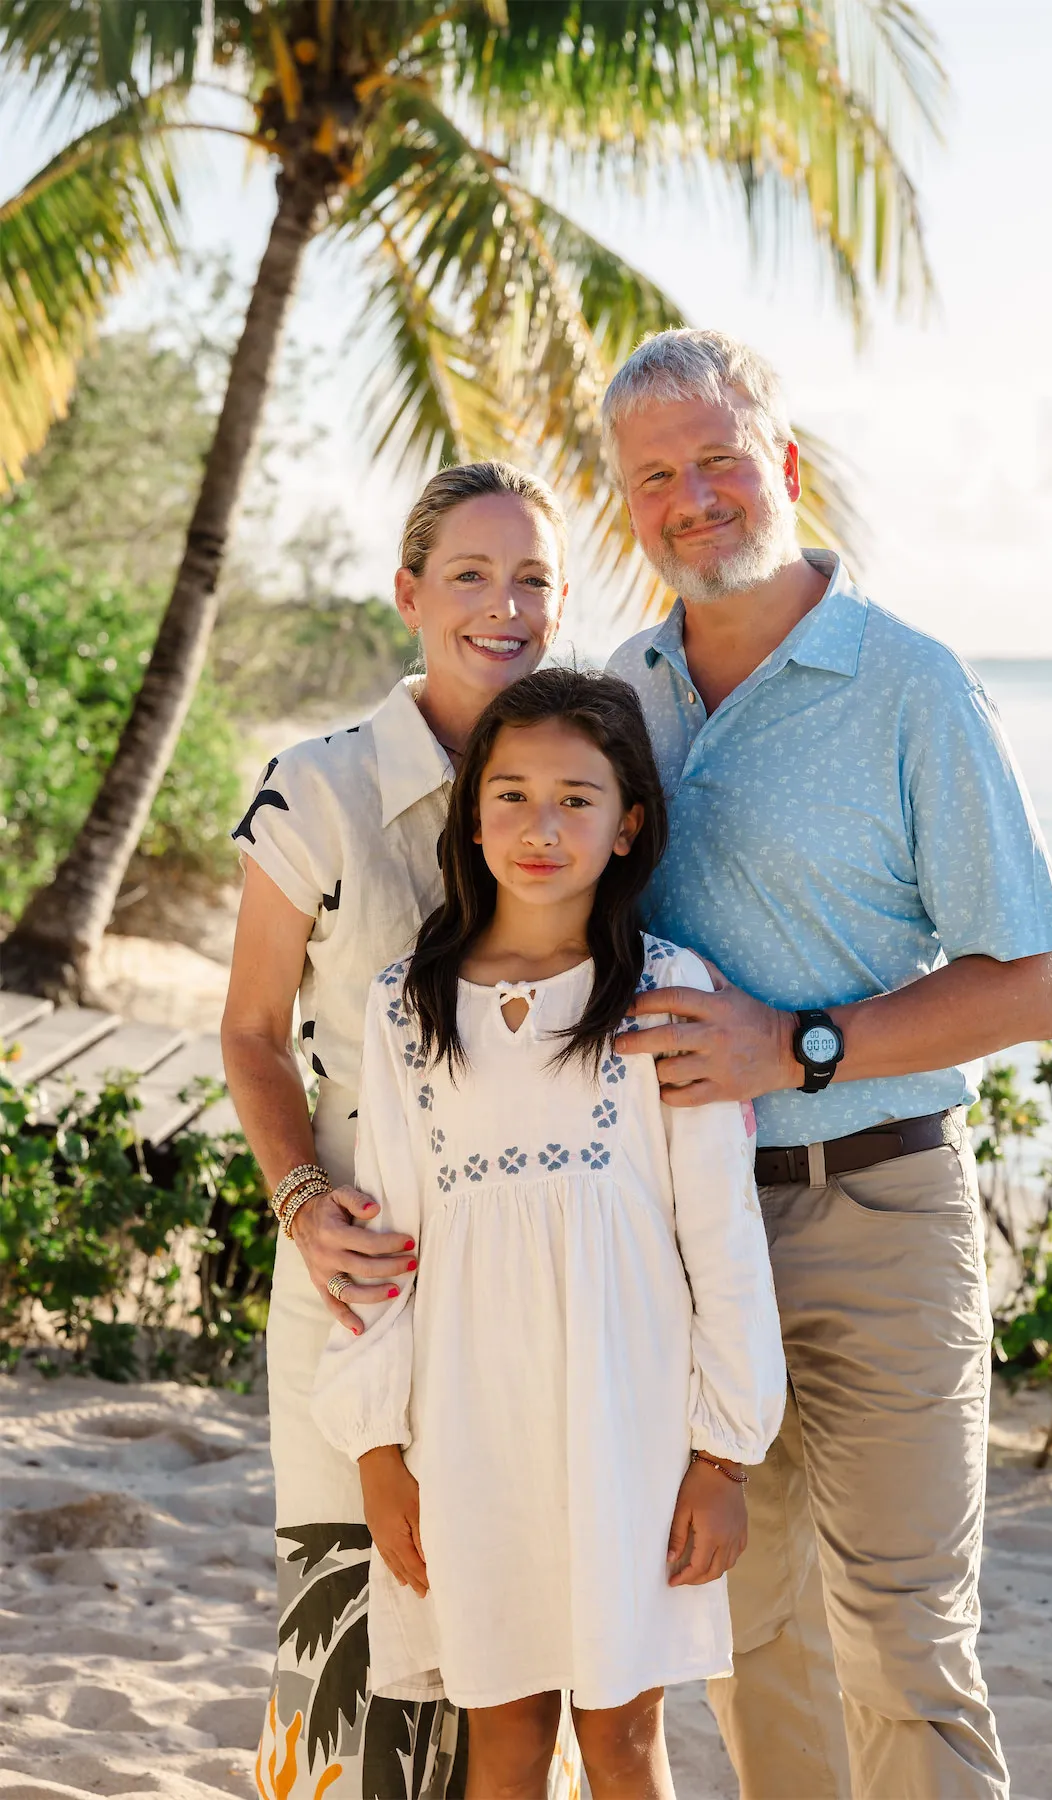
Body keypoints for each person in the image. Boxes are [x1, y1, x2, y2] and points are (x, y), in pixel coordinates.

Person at [601, 329, 1052, 1800]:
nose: (696, 497)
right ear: (629, 503)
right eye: (657, 475)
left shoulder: (910, 683)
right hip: (687, 1241)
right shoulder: (621, 695)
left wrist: (797, 1047)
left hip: (879, 1216)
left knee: (904, 1645)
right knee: (749, 1639)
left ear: (785, 465)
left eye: (722, 459)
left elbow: (1037, 984)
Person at [309, 667, 787, 1800]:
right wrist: (380, 1455)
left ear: (629, 825)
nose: (541, 826)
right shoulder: (405, 1008)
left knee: (622, 1738)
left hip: (630, 1434)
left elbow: (720, 1239)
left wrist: (722, 1458)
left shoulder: (670, 995)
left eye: (577, 798)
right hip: (469, 1433)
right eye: (512, 795)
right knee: (507, 1735)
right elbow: (387, 1246)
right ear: (471, 816)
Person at [221, 462, 577, 1800]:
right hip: (356, 1292)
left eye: (535, 576)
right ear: (409, 594)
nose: (505, 605)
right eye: (472, 574)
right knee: (346, 1650)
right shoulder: (316, 790)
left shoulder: (592, 775)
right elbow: (250, 1034)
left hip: (536, 1303)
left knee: (515, 1678)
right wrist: (304, 1199)